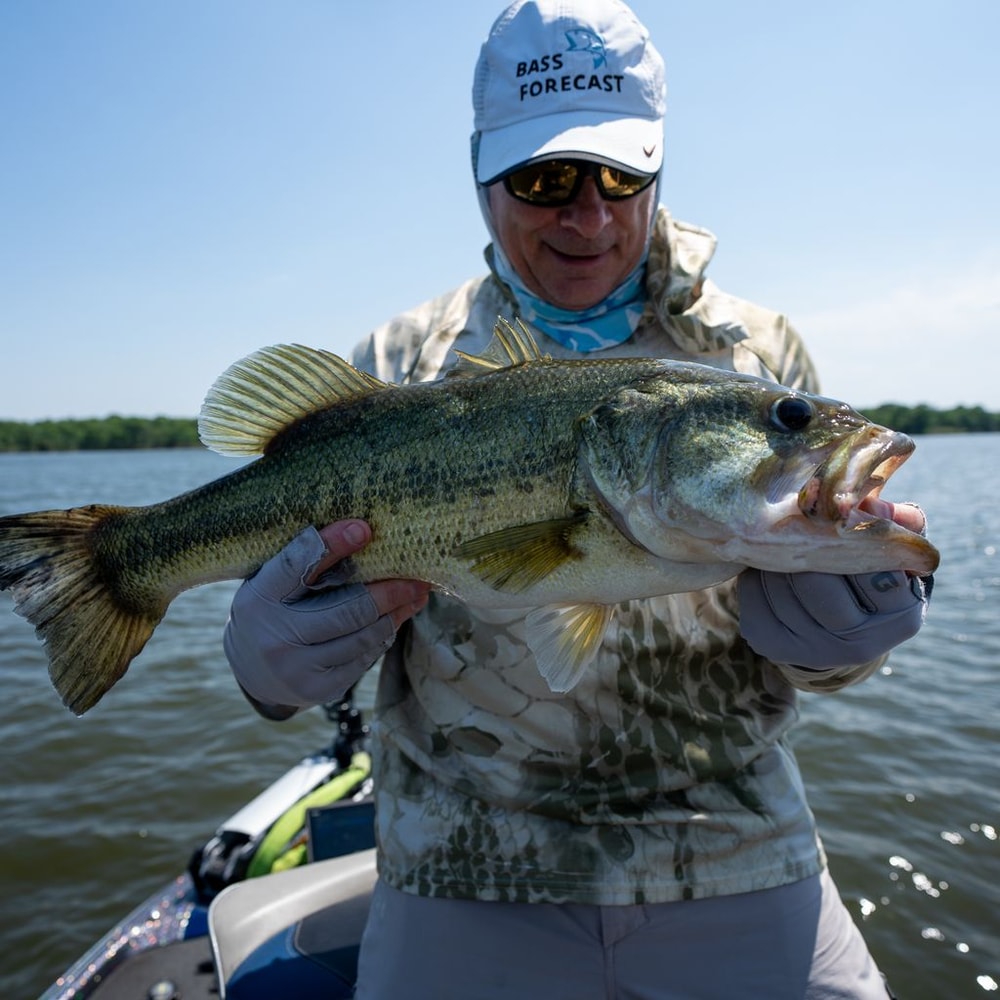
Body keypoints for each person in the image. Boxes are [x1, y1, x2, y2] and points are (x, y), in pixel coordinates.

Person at [223, 1, 932, 996]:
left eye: (619, 176)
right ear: (481, 174)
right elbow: (303, 630)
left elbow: (818, 653)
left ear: (656, 166)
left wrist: (838, 645)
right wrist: (271, 669)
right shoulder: (399, 367)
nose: (588, 215)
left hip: (736, 844)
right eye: (545, 179)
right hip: (460, 862)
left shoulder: (756, 360)